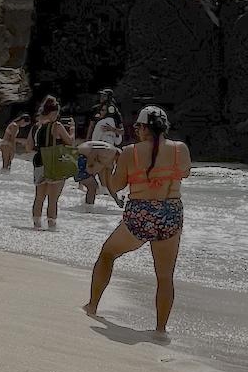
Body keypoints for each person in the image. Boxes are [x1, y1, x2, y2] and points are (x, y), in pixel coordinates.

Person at [84, 102, 189, 335]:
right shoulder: (181, 149)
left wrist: (111, 163)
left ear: (142, 128)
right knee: (164, 276)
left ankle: (92, 307)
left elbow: (117, 185)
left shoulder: (131, 152)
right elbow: (184, 172)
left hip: (140, 213)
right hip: (171, 213)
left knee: (108, 253)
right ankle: (160, 329)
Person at [33, 107, 79, 229]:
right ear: (53, 112)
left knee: (39, 198)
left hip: (39, 161)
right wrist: (72, 129)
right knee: (53, 199)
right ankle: (51, 228)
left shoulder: (37, 126)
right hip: (54, 163)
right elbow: (70, 142)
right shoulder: (57, 125)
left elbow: (29, 146)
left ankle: (36, 225)